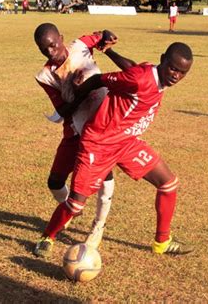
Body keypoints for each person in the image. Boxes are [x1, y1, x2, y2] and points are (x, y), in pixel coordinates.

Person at [33, 41, 194, 258]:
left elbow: (132, 67)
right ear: (163, 59)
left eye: (182, 72)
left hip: (126, 143)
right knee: (75, 205)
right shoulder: (140, 80)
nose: (176, 75)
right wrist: (80, 93)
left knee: (168, 183)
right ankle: (47, 237)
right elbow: (102, 79)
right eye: (173, 68)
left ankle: (162, 243)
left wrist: (110, 51)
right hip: (98, 145)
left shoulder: (150, 74)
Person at [33, 23, 137, 251]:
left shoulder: (80, 45)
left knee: (105, 176)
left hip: (103, 128)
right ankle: (67, 211)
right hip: (75, 131)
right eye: (44, 50)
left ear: (61, 38)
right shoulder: (44, 76)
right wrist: (82, 92)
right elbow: (63, 111)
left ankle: (97, 227)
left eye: (53, 45)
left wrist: (107, 37)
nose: (51, 52)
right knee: (55, 182)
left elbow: (102, 36)